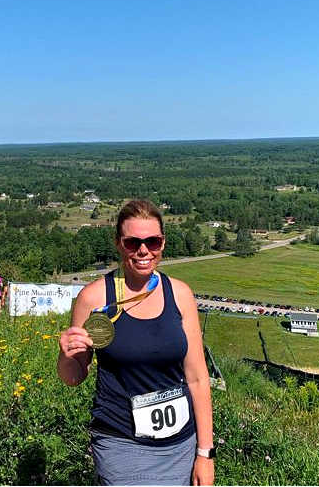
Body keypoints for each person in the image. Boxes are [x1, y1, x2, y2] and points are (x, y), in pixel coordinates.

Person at [57, 199, 215, 486]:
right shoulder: (94, 298)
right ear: (119, 244)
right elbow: (73, 377)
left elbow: (197, 378)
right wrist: (66, 355)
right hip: (121, 442)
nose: (143, 251)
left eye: (152, 242)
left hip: (180, 444)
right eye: (133, 243)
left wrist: (205, 453)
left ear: (163, 243)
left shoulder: (179, 294)